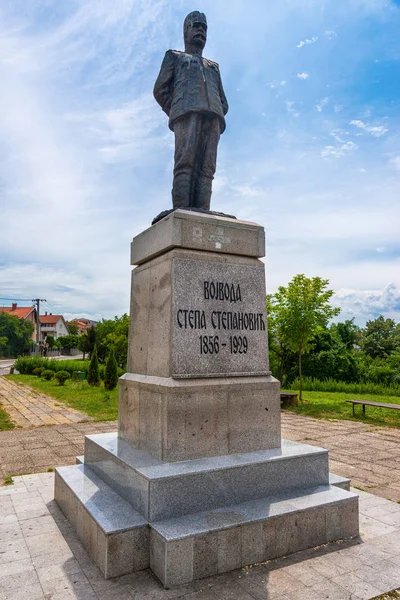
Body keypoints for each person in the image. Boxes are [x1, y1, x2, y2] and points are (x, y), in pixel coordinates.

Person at [153, 11, 228, 211]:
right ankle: (182, 210)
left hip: (213, 117)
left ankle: (202, 211)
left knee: (207, 168)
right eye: (196, 26)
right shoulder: (175, 57)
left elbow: (224, 100)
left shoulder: (213, 67)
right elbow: (160, 90)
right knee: (185, 163)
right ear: (186, 31)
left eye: (204, 28)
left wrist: (216, 109)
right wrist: (178, 109)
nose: (201, 31)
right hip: (186, 114)